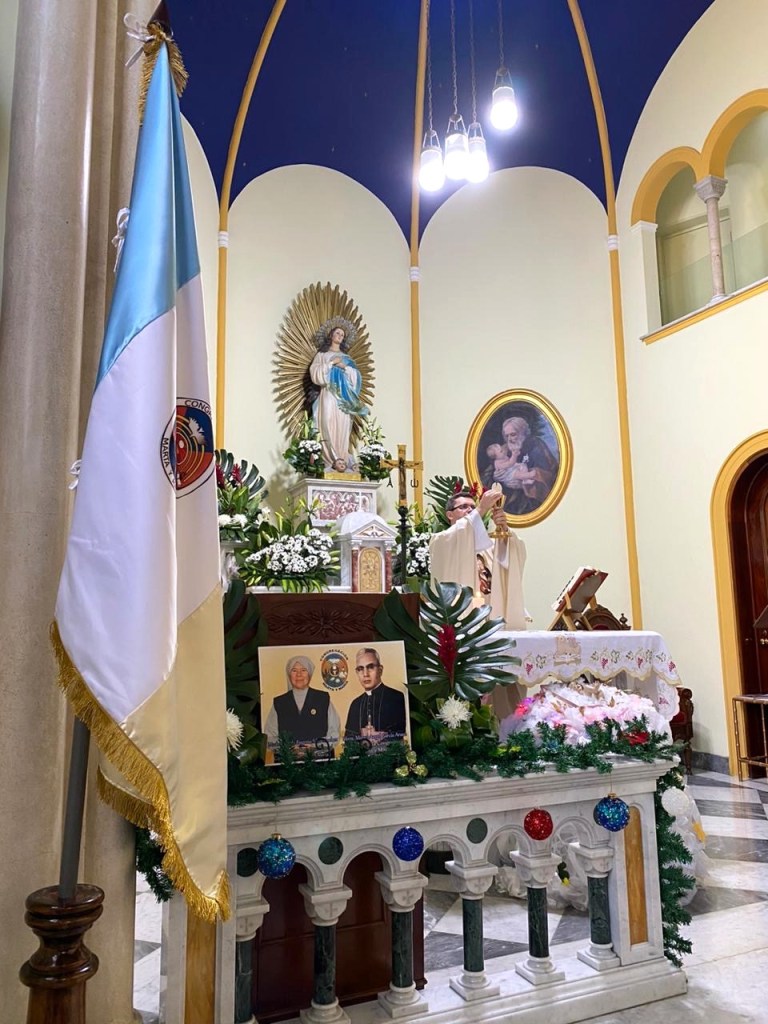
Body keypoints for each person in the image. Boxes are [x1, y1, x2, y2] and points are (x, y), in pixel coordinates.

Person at [429, 486, 527, 718]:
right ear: (449, 515)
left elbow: (511, 562)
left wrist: (504, 534)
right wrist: (481, 509)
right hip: (462, 631)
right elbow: (452, 540)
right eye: (463, 507)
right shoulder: (442, 541)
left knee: (502, 694)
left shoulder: (488, 548)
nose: (469, 510)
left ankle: (507, 727)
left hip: (494, 625)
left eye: (472, 506)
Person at [309, 318, 369, 472]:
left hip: (344, 398)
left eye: (342, 335)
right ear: (331, 335)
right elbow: (315, 373)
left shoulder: (347, 358)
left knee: (343, 426)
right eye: (337, 333)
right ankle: (328, 458)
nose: (340, 336)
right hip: (329, 393)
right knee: (327, 422)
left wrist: (345, 367)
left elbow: (356, 379)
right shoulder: (322, 355)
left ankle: (342, 457)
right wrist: (331, 363)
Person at [482, 416, 558, 516]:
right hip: (508, 502)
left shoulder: (536, 447)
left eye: (513, 434)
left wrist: (523, 484)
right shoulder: (503, 449)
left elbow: (549, 475)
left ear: (522, 433)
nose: (509, 439)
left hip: (531, 503)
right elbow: (489, 474)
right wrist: (496, 476)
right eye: (507, 436)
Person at [264, 655, 341, 753]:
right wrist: (289, 748)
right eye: (294, 670)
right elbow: (270, 737)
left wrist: (315, 746)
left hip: (320, 759)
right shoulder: (279, 703)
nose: (299, 674)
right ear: (289, 674)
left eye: (303, 670)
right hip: (288, 760)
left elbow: (334, 733)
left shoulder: (323, 699)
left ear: (310, 674)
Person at [344, 647, 406, 746]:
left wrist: (381, 736)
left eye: (370, 667)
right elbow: (348, 740)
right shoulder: (355, 704)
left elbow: (399, 734)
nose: (365, 674)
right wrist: (362, 737)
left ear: (380, 670)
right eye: (360, 669)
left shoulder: (396, 697)